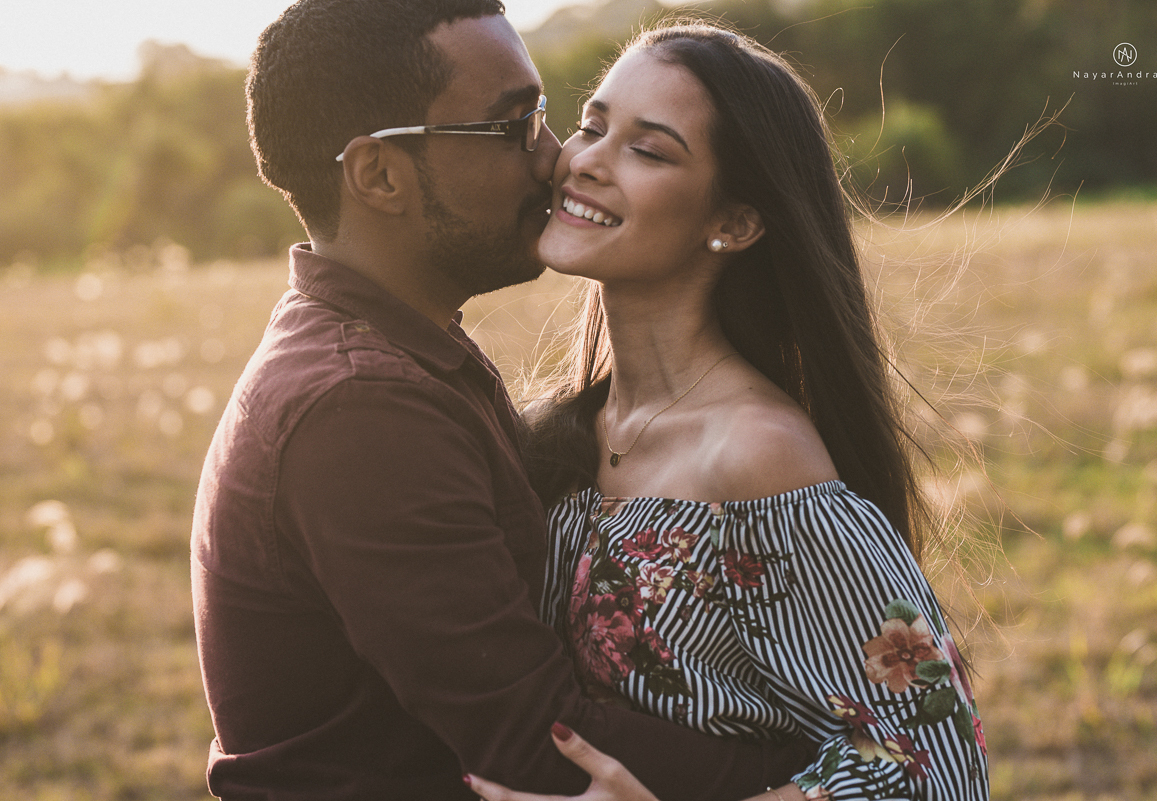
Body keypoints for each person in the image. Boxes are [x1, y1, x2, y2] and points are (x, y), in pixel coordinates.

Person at [190, 1, 817, 799]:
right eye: (513, 126)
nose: (555, 159)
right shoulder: (359, 406)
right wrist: (824, 774)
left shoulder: (403, 353)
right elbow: (535, 736)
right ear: (380, 175)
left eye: (547, 117)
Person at [464, 21, 990, 801]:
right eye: (592, 125)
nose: (585, 163)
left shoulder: (757, 456)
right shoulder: (553, 429)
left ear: (734, 222)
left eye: (649, 149)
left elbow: (931, 765)